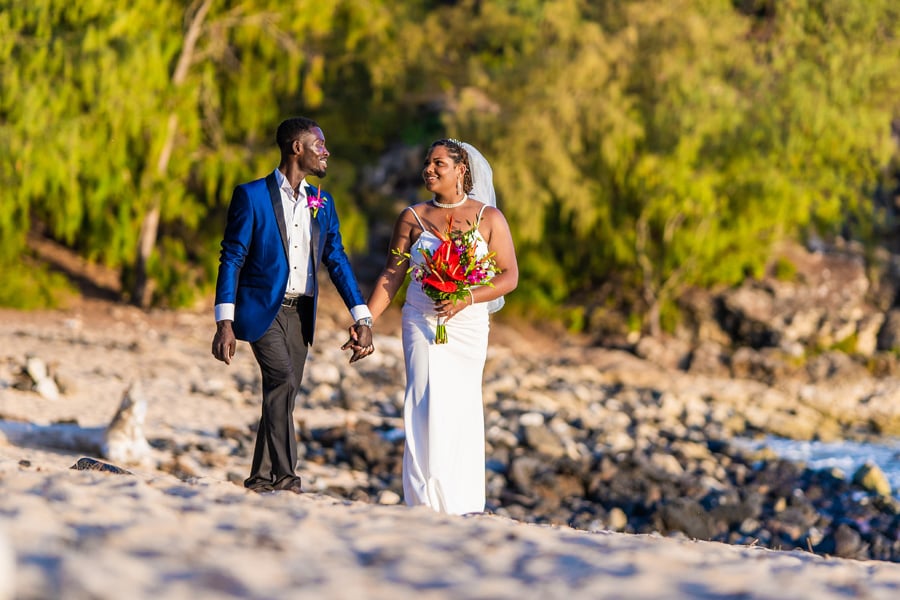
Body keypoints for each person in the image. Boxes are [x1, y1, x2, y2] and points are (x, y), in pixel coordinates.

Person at [348, 138, 518, 514]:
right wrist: (365, 321)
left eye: (438, 163)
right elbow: (392, 276)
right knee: (422, 400)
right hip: (420, 319)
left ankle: (461, 501)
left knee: (461, 405)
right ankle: (424, 498)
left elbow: (509, 276)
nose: (429, 169)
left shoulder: (489, 218)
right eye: (427, 162)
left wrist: (467, 296)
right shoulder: (412, 217)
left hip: (468, 324)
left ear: (461, 170)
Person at [212, 117, 374, 494]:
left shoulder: (322, 202)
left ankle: (259, 479)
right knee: (282, 382)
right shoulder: (251, 196)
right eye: (319, 144)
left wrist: (361, 314)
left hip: (301, 314)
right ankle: (287, 480)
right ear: (296, 148)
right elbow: (232, 257)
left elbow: (337, 259)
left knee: (281, 396)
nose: (326, 152)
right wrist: (225, 322)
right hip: (260, 310)